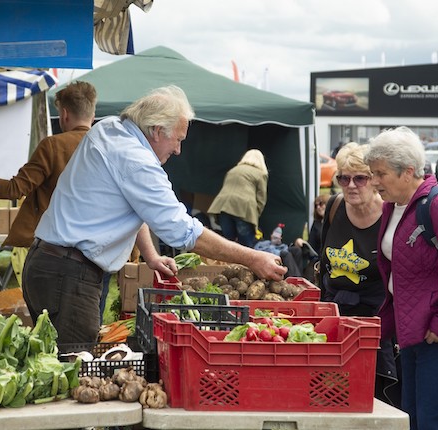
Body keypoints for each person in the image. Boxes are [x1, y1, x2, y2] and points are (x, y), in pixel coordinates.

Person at [22, 85, 287, 345]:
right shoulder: (137, 162)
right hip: (68, 277)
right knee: (73, 364)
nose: (178, 150)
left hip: (46, 263)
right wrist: (253, 258)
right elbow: (184, 232)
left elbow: (131, 204)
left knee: (55, 358)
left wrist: (151, 256)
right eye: (178, 139)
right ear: (157, 131)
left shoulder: (109, 128)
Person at [364, 126, 438, 430]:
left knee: (436, 423)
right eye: (372, 174)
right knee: (412, 420)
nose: (374, 182)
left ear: (408, 172)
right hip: (413, 332)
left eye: (380, 174)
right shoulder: (392, 207)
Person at [0, 82, 116, 322]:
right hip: (101, 250)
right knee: (92, 325)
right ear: (93, 113)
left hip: (57, 252)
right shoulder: (112, 149)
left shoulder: (53, 146)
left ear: (64, 114)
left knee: (50, 327)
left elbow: (15, 189)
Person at [318, 142, 399, 407]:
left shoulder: (390, 215)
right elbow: (323, 260)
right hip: (336, 314)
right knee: (332, 394)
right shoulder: (334, 207)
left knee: (373, 397)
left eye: (360, 178)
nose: (351, 185)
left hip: (376, 320)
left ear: (374, 180)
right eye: (344, 178)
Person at [208, 149, 268, 248]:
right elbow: (261, 198)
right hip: (244, 209)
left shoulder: (233, 170)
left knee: (228, 243)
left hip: (223, 206)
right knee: (246, 246)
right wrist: (255, 215)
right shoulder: (260, 173)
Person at [289, 193, 328, 281]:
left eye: (321, 204)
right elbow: (311, 244)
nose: (318, 207)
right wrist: (301, 242)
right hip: (316, 260)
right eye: (316, 206)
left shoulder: (335, 223)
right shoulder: (316, 224)